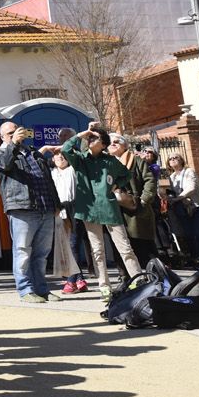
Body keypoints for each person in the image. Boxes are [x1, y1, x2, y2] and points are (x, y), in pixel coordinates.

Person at [54, 125, 139, 296]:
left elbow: (127, 174)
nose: (91, 140)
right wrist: (81, 135)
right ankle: (104, 286)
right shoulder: (80, 159)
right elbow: (66, 148)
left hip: (109, 208)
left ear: (103, 143)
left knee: (125, 247)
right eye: (90, 138)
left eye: (95, 138)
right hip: (89, 210)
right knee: (97, 250)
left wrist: (116, 185)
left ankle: (138, 280)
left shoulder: (110, 161)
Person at [0, 121, 58, 302]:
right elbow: (5, 165)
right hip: (22, 208)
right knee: (22, 252)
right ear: (3, 137)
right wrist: (14, 144)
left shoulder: (33, 153)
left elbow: (47, 179)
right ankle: (25, 290)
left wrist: (55, 204)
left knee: (41, 254)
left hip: (45, 207)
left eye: (18, 131)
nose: (16, 135)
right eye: (10, 133)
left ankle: (42, 289)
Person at [111, 137, 158, 265]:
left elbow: (150, 180)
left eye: (116, 142)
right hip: (115, 210)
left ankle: (155, 277)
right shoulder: (106, 162)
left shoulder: (136, 160)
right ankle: (126, 278)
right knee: (121, 247)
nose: (113, 144)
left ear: (125, 145)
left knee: (144, 247)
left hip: (136, 208)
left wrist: (144, 200)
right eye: (110, 142)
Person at [50, 150, 88, 293]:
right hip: (59, 211)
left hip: (74, 209)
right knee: (65, 246)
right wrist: (47, 147)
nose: (60, 157)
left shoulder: (73, 170)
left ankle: (71, 281)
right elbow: (38, 155)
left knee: (72, 244)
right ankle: (79, 279)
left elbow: (79, 156)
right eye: (57, 155)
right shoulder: (51, 172)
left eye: (63, 155)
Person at [165, 154, 199, 265]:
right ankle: (194, 258)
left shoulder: (189, 172)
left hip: (198, 206)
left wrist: (177, 198)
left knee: (198, 232)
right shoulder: (172, 177)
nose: (173, 160)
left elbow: (191, 188)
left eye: (176, 157)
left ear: (182, 160)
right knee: (188, 234)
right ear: (168, 163)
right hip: (184, 209)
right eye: (171, 159)